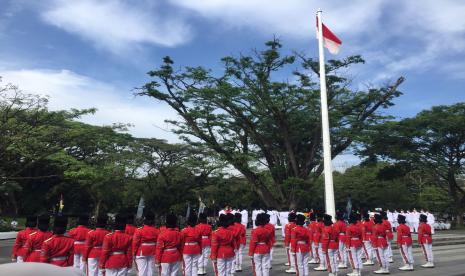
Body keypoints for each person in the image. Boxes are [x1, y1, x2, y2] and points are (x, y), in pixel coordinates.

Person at [132, 211, 159, 276]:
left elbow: (135, 243)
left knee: (142, 271)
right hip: (152, 251)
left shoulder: (139, 230)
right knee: (150, 271)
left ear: (145, 219)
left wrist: (133, 253)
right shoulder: (157, 230)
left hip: (141, 252)